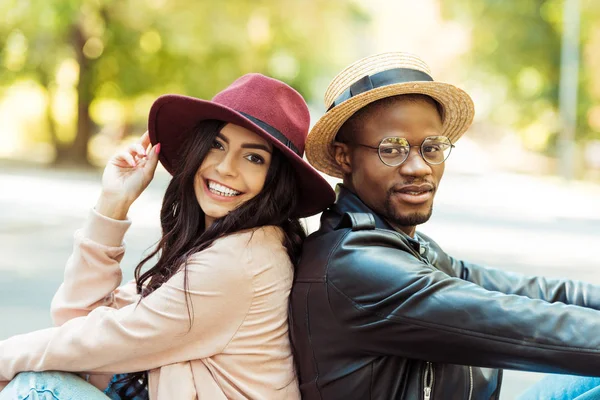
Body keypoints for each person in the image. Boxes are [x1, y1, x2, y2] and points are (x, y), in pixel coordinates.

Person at [0, 73, 335, 399]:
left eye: (253, 157)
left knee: (36, 389)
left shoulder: (239, 262)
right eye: (217, 145)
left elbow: (98, 341)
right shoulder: (223, 245)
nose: (225, 167)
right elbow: (77, 325)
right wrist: (112, 204)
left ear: (275, 180)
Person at [289, 52, 600, 400]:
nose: (419, 167)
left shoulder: (402, 244)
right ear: (345, 156)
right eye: (392, 150)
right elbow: (520, 324)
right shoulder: (354, 266)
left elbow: (527, 293)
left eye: (432, 147)